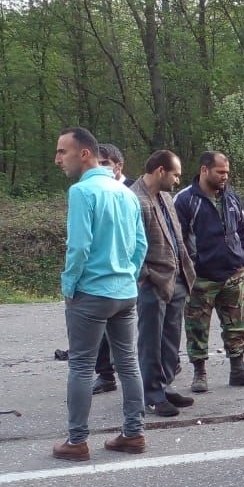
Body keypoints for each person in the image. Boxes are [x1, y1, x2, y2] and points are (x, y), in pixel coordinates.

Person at [53, 126, 148, 460]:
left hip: (91, 292)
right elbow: (140, 245)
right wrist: (129, 276)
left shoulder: (82, 192)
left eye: (62, 151)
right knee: (129, 364)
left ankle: (77, 441)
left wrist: (69, 287)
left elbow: (78, 247)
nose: (57, 159)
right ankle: (133, 434)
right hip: (125, 292)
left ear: (84, 154)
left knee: (81, 365)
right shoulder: (127, 192)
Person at [174, 151, 244, 392]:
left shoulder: (232, 197)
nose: (225, 176)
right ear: (204, 170)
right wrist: (190, 269)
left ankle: (238, 370)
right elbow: (177, 239)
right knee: (197, 328)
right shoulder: (185, 200)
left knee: (236, 326)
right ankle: (200, 374)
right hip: (201, 279)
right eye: (220, 172)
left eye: (227, 172)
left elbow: (243, 229)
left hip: (233, 275)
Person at [131, 150, 197, 416]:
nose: (178, 180)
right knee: (151, 341)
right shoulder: (134, 199)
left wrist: (186, 270)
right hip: (152, 282)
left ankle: (165, 385)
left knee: (170, 338)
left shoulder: (167, 198)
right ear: (160, 171)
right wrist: (146, 276)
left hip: (176, 278)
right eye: (176, 174)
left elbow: (176, 238)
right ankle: (152, 394)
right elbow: (131, 246)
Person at [90, 142, 136, 392]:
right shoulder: (92, 190)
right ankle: (106, 375)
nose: (101, 168)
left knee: (133, 329)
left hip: (131, 271)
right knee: (100, 326)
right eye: (98, 164)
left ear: (118, 166)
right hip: (102, 272)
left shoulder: (134, 191)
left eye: (105, 163)